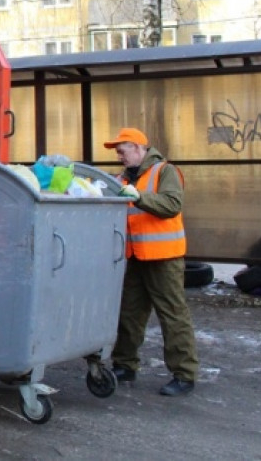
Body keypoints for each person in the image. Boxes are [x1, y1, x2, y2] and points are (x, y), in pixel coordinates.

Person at [103, 127, 198, 397]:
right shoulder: (122, 178)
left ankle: (184, 374)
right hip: (135, 256)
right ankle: (124, 365)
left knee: (172, 315)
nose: (119, 156)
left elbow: (171, 204)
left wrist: (139, 196)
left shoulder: (165, 171)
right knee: (130, 313)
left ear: (137, 147)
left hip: (163, 257)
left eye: (122, 151)